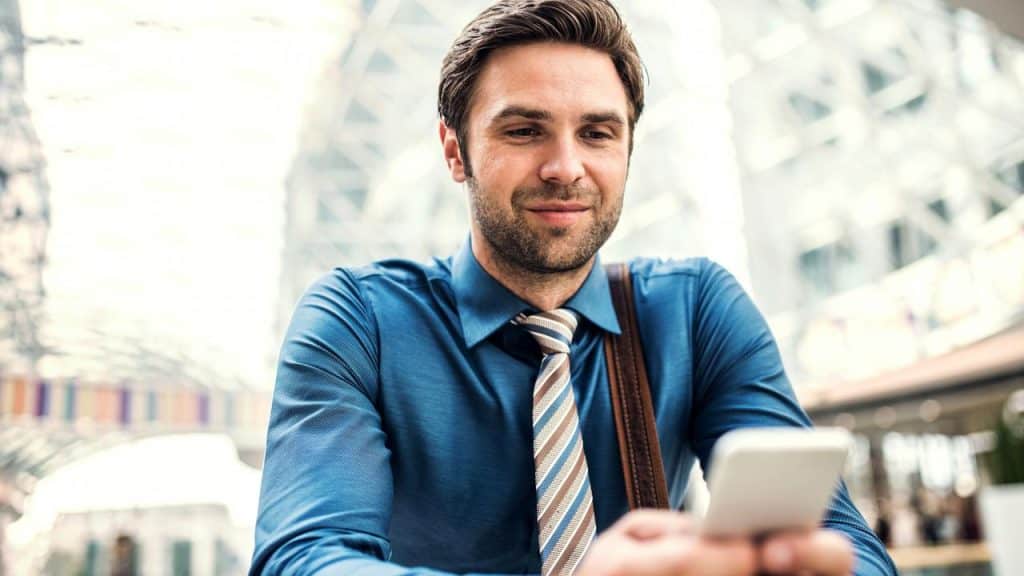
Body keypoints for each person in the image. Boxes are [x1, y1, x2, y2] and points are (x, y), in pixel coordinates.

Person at [251, 1, 897, 575]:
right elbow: (303, 559)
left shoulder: (695, 311)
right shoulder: (358, 321)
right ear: (455, 151)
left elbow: (843, 541)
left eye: (597, 132)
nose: (566, 168)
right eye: (524, 130)